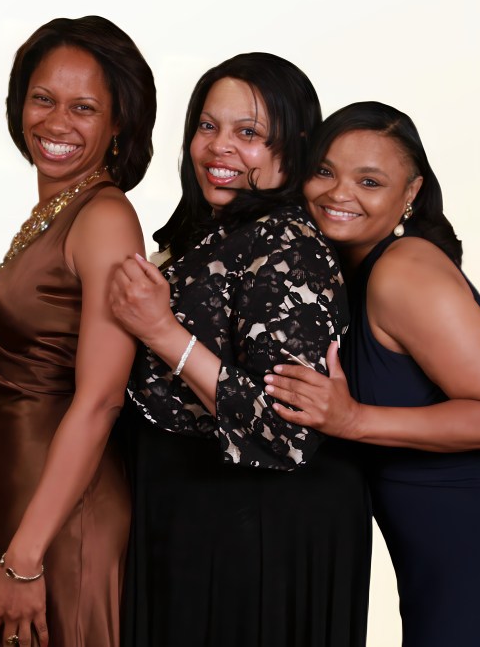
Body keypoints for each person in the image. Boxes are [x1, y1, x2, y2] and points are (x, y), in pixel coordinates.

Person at [264, 101, 480, 646]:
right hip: (444, 544)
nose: (338, 193)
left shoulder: (403, 270)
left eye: (369, 181)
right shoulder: (341, 271)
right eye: (324, 171)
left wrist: (352, 419)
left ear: (411, 192)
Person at [108, 52, 371, 647]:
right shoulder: (220, 231)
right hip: (197, 518)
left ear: (294, 149)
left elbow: (284, 431)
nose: (218, 147)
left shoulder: (287, 245)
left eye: (248, 133)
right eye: (208, 126)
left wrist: (161, 332)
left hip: (249, 540)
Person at [0, 16, 157, 647]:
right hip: (12, 503)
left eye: (83, 107)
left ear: (118, 124)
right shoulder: (56, 209)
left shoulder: (105, 217)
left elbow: (102, 398)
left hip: (57, 523)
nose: (57, 123)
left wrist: (26, 556)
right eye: (43, 98)